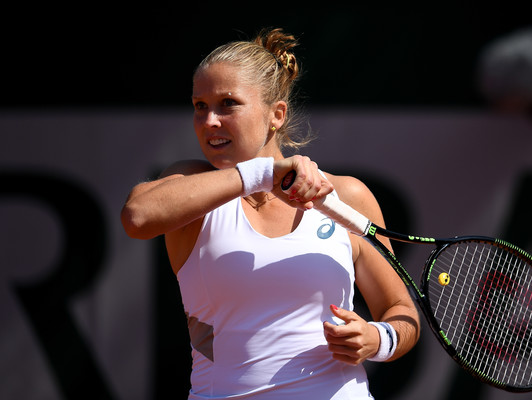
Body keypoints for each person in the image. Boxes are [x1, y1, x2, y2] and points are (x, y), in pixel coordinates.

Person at [121, 28, 420, 399]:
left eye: (227, 103)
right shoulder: (191, 186)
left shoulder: (347, 195)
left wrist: (378, 339)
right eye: (200, 105)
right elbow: (137, 216)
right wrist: (263, 174)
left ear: (276, 114)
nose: (209, 120)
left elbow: (401, 310)